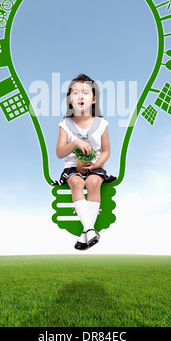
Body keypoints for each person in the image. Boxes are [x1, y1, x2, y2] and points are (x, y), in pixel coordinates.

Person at [54, 73, 116, 251]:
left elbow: (106, 151)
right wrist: (75, 143)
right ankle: (90, 229)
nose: (80, 96)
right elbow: (59, 153)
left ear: (94, 99)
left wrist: (96, 165)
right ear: (70, 101)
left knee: (94, 181)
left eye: (86, 92)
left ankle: (86, 233)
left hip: (94, 167)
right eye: (75, 93)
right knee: (75, 182)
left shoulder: (102, 124)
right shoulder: (65, 125)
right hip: (72, 167)